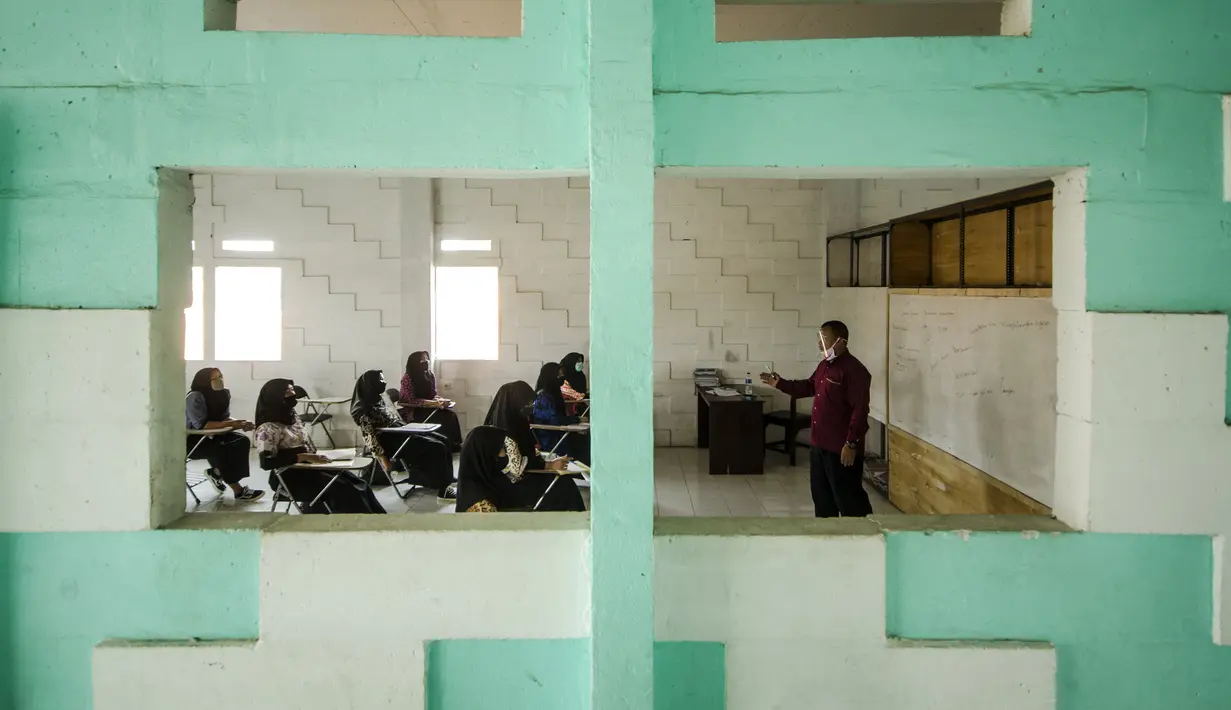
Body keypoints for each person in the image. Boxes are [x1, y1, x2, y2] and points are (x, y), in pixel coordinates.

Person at [761, 320, 872, 518]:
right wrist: (780, 383)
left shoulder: (854, 371)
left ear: (841, 341)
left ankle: (860, 540)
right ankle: (826, 537)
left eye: (824, 338)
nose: (820, 343)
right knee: (821, 497)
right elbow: (809, 387)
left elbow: (860, 410)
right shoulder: (825, 366)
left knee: (849, 499)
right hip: (819, 443)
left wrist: (851, 443)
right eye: (818, 338)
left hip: (841, 447)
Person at [254, 378, 385, 514]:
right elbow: (266, 462)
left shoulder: (291, 416)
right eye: (287, 391)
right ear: (274, 397)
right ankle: (357, 526)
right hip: (290, 476)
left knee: (358, 483)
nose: (292, 394)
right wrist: (303, 457)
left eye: (292, 389)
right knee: (346, 489)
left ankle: (378, 520)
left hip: (309, 467)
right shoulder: (268, 428)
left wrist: (315, 457)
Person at [351, 369, 456, 502]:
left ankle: (445, 478)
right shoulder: (363, 410)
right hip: (390, 442)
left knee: (444, 440)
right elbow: (369, 437)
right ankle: (443, 491)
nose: (385, 382)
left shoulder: (379, 400)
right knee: (437, 447)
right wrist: (384, 459)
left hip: (400, 433)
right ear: (371, 384)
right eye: (381, 380)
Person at [455, 425, 585, 513]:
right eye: (501, 450)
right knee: (560, 489)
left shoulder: (485, 475)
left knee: (561, 483)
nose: (504, 454)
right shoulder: (480, 505)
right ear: (485, 455)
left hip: (506, 492)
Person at [185, 368, 265, 502]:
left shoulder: (224, 393)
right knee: (223, 448)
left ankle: (217, 473)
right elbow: (201, 425)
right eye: (215, 378)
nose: (220, 380)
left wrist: (240, 423)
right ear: (204, 381)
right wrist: (233, 425)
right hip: (195, 439)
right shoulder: (194, 396)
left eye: (221, 376)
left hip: (213, 435)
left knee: (242, 440)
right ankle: (238, 491)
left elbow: (224, 418)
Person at [399, 351, 463, 450]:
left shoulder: (430, 374)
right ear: (415, 362)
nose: (426, 361)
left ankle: (454, 445)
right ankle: (440, 446)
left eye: (427, 359)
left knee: (451, 415)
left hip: (430, 407)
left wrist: (441, 400)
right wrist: (434, 403)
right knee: (442, 419)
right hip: (415, 411)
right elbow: (410, 400)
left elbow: (433, 394)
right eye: (422, 360)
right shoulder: (407, 378)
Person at [530, 363, 591, 466]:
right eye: (558, 375)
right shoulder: (543, 397)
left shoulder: (553, 394)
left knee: (586, 439)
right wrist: (576, 420)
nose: (562, 378)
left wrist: (576, 419)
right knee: (583, 445)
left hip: (558, 432)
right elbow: (553, 420)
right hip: (550, 437)